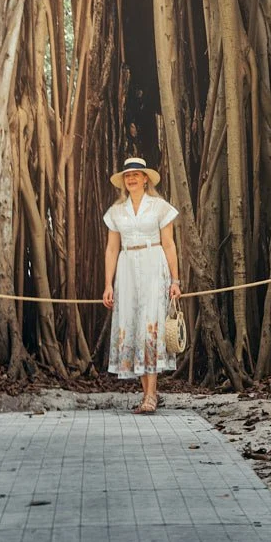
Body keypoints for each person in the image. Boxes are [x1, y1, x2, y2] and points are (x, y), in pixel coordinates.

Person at [102, 153, 181, 412]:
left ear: (146, 179)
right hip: (126, 268)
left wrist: (175, 280)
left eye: (136, 174)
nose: (131, 179)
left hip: (153, 264)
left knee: (151, 323)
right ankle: (146, 393)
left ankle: (151, 395)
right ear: (123, 181)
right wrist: (108, 284)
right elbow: (112, 250)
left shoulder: (159, 207)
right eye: (127, 175)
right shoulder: (116, 211)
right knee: (133, 324)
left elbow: (169, 244)